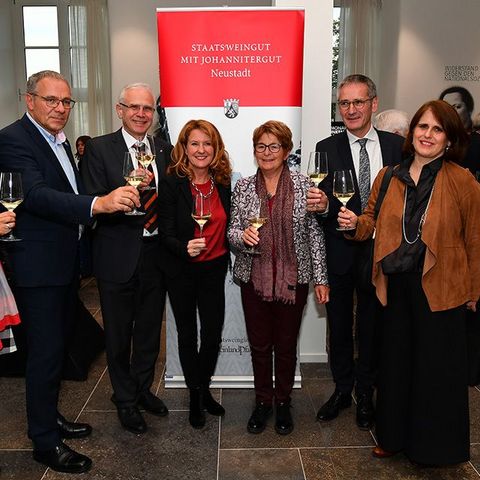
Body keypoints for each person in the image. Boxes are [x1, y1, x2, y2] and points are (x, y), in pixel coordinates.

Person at [0, 70, 140, 474]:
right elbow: (40, 197)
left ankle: (50, 417)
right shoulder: (13, 140)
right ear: (30, 101)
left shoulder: (59, 142)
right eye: (51, 100)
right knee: (44, 355)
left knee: (58, 349)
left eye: (66, 102)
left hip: (63, 266)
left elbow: (68, 194)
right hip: (38, 268)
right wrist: (99, 204)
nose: (60, 108)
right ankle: (45, 441)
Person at [337, 99, 480, 466]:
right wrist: (356, 225)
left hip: (441, 288)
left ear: (449, 140)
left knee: (436, 373)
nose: (427, 135)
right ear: (411, 132)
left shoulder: (463, 180)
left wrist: (474, 291)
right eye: (422, 127)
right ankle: (394, 438)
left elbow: (475, 240)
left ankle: (435, 449)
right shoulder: (389, 176)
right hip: (396, 288)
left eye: (437, 129)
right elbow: (371, 220)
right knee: (397, 368)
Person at [307, 74, 404, 430]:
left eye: (358, 102)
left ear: (373, 104)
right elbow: (319, 202)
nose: (350, 109)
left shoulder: (398, 147)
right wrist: (325, 208)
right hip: (340, 253)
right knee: (339, 327)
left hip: (382, 253)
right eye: (344, 103)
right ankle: (342, 390)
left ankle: (366, 393)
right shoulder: (326, 148)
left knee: (372, 327)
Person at [228, 120, 329, 435]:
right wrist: (241, 236)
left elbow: (314, 234)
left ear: (286, 150)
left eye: (274, 146)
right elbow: (231, 232)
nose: (267, 152)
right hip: (254, 278)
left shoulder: (303, 186)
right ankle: (263, 402)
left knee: (285, 345)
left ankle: (283, 402)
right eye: (261, 146)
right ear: (254, 150)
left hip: (293, 279)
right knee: (259, 346)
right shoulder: (243, 187)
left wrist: (321, 278)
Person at [81, 83, 172, 434]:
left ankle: (141, 388)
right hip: (116, 255)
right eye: (133, 107)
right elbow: (90, 202)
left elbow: (168, 201)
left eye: (147, 109)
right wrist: (119, 199)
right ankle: (124, 398)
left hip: (155, 253)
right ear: (120, 110)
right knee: (119, 334)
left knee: (150, 331)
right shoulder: (99, 149)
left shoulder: (163, 149)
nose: (141, 114)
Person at [157, 119, 231, 429]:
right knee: (187, 335)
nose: (201, 150)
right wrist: (183, 247)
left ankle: (203, 388)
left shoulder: (224, 183)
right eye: (195, 144)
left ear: (215, 149)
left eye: (207, 144)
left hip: (214, 268)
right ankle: (195, 396)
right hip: (182, 270)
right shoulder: (173, 182)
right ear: (184, 148)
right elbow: (165, 232)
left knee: (212, 334)